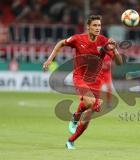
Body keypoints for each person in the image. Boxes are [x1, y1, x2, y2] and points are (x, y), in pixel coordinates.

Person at [43, 15, 123, 149]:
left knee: (88, 116)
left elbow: (119, 63)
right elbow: (61, 43)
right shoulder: (78, 39)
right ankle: (76, 116)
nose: (98, 28)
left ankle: (71, 140)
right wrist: (50, 59)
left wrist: (115, 49)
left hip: (96, 81)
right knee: (90, 102)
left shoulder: (104, 42)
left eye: (99, 26)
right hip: (80, 77)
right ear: (88, 27)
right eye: (95, 25)